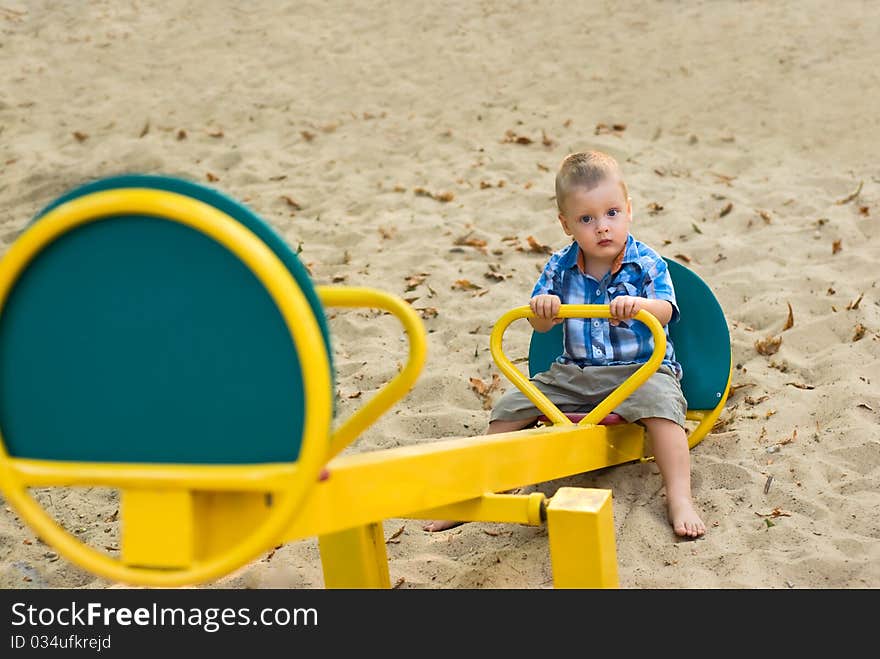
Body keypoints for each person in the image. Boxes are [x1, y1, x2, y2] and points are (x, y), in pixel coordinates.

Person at [423, 150, 705, 539]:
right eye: (586, 219)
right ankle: (479, 491)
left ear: (628, 210)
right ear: (566, 224)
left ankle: (680, 497)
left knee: (663, 410)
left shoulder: (647, 263)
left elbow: (666, 310)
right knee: (510, 407)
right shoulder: (558, 266)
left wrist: (639, 305)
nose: (602, 227)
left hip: (641, 371)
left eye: (611, 213)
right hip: (575, 372)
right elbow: (540, 326)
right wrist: (543, 308)